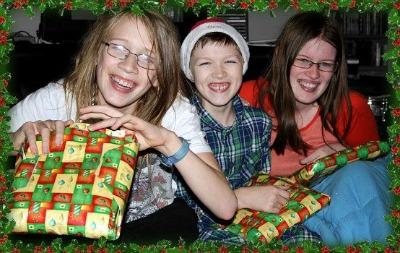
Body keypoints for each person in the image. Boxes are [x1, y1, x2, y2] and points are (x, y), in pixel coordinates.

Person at [7, 9, 238, 245]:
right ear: (97, 51)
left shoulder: (173, 111)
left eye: (148, 58)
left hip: (150, 227)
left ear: (159, 74)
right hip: (63, 226)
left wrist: (168, 142)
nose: (130, 66)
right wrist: (13, 142)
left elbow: (225, 207)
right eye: (118, 48)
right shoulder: (57, 100)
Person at [239, 11, 393, 246]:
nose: (313, 74)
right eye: (303, 60)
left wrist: (345, 155)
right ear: (282, 56)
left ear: (336, 69)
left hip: (331, 209)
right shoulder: (245, 97)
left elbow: (380, 179)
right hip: (262, 210)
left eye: (325, 65)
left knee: (359, 174)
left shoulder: (352, 107)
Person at [176, 18, 321, 245]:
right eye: (205, 64)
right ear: (190, 72)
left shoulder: (259, 122)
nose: (219, 73)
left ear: (243, 66)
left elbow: (260, 180)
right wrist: (239, 199)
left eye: (230, 62)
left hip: (255, 218)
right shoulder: (180, 125)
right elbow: (182, 199)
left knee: (307, 239)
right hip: (205, 224)